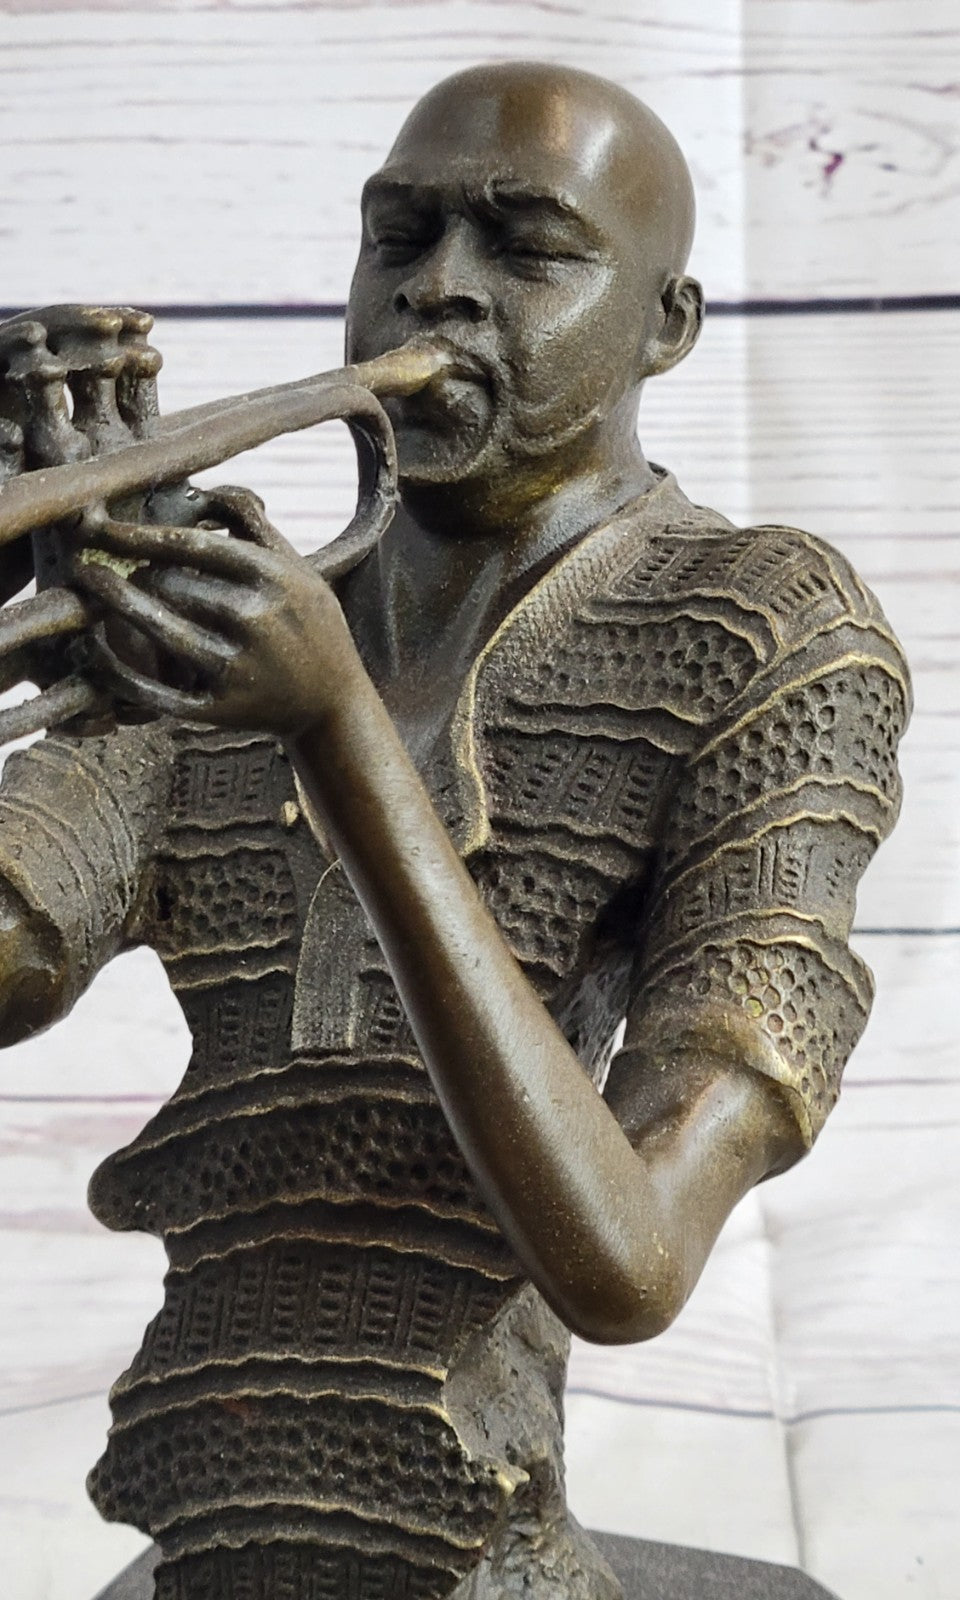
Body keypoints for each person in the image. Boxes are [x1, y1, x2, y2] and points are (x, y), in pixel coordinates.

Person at [0, 62, 909, 1600]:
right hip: (207, 1493)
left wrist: (338, 731)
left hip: (489, 1534)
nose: (439, 293)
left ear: (668, 327)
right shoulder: (237, 616)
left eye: (527, 247)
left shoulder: (771, 633)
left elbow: (626, 1265)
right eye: (399, 237)